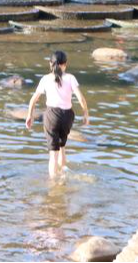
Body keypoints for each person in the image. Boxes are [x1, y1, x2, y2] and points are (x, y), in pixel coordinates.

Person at [25, 51, 90, 180]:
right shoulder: (71, 78)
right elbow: (81, 99)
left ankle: (54, 184)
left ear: (50, 64)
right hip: (67, 116)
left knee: (53, 154)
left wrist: (29, 116)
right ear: (65, 64)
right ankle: (63, 176)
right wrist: (86, 114)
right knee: (62, 147)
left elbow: (33, 99)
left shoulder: (45, 79)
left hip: (51, 116)